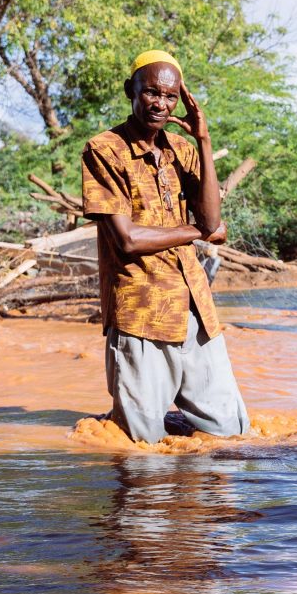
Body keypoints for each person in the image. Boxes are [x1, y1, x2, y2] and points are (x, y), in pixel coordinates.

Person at [80, 50, 250, 442]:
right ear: (131, 91)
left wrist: (203, 138)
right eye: (151, 92)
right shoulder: (104, 150)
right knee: (142, 448)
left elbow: (210, 219)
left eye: (170, 96)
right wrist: (194, 233)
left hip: (195, 309)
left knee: (230, 436)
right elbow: (128, 240)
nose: (160, 103)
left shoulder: (182, 149)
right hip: (141, 313)